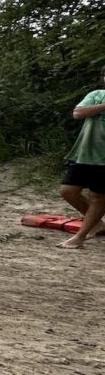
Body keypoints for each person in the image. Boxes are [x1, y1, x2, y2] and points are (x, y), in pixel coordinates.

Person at [59, 65, 105, 249]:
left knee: (98, 197)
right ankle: (97, 223)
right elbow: (78, 113)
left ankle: (79, 237)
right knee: (67, 191)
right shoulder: (96, 94)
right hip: (85, 154)